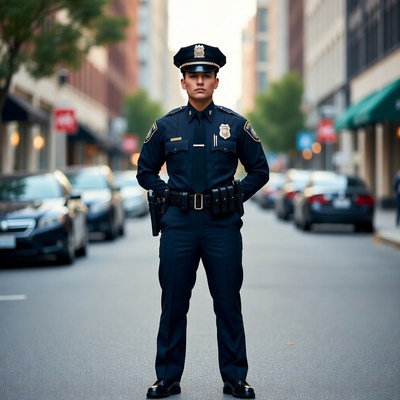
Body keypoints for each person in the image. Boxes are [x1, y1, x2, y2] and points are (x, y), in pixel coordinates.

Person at [137, 43, 269, 399]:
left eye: (206, 75)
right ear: (183, 82)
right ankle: (167, 378)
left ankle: (235, 378)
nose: (199, 81)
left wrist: (236, 194)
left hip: (221, 225)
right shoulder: (166, 126)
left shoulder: (235, 125)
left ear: (216, 81)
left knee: (227, 302)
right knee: (173, 302)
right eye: (192, 76)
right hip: (178, 223)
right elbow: (144, 170)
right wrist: (164, 192)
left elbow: (260, 170)